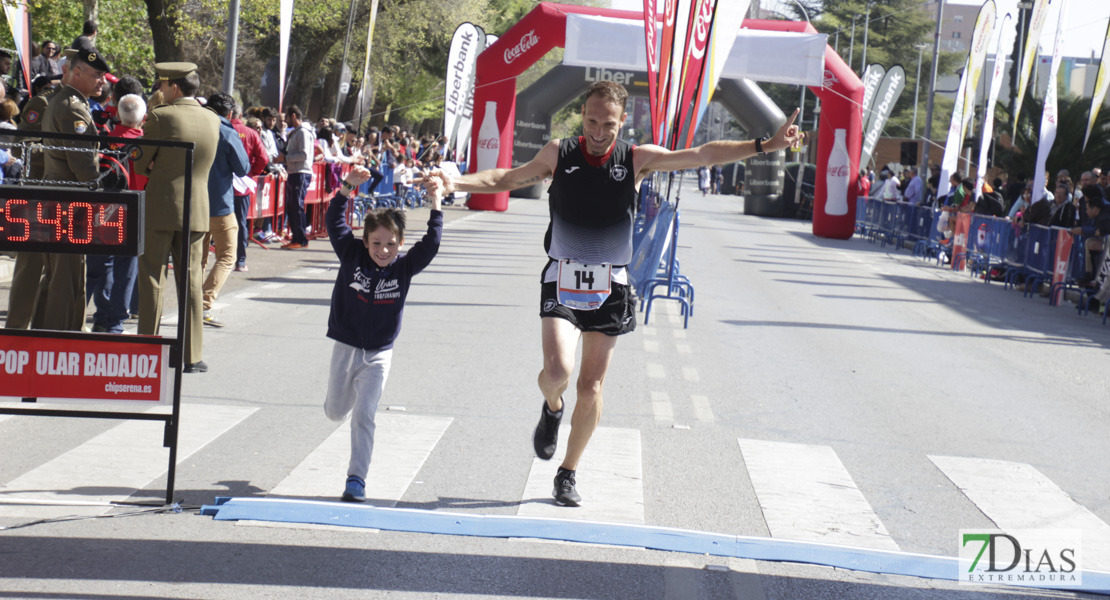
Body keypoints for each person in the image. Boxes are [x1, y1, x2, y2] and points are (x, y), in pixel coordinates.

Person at [432, 80, 804, 506]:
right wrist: (455, 183)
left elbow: (703, 155)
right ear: (582, 116)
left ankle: (567, 472)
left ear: (622, 121)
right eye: (590, 120)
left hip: (611, 283)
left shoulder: (636, 159)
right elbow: (507, 177)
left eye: (607, 123)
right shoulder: (559, 153)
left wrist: (765, 144)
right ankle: (552, 407)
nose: (596, 130)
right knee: (557, 373)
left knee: (591, 386)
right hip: (562, 275)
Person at [323, 165, 445, 503]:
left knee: (365, 415)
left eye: (391, 244)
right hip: (346, 348)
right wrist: (348, 186)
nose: (383, 250)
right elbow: (334, 220)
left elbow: (431, 243)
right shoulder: (351, 254)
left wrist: (436, 202)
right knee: (335, 412)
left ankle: (356, 479)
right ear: (365, 241)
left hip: (378, 354)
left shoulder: (403, 268)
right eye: (376, 243)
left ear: (400, 243)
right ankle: (342, 403)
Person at [132, 62, 221, 373]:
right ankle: (192, 355)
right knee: (191, 282)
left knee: (154, 279)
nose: (159, 90)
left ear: (174, 87)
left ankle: (148, 350)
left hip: (161, 207)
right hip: (197, 208)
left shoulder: (160, 115)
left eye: (162, 85)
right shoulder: (212, 119)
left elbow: (140, 163)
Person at [30, 48, 109, 331]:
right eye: (97, 75)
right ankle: (58, 341)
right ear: (77, 73)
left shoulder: (67, 101)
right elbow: (82, 163)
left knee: (57, 276)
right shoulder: (73, 106)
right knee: (67, 278)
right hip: (69, 201)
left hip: (59, 197)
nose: (103, 81)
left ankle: (41, 339)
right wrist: (103, 190)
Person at [85, 93, 147, 334]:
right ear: (143, 117)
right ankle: (115, 321)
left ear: (119, 114)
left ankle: (97, 314)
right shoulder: (146, 142)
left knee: (101, 263)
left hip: (105, 208)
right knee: (127, 268)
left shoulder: (103, 139)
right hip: (134, 208)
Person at [199, 92, 249, 328]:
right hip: (220, 204)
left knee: (196, 258)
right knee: (228, 255)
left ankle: (190, 304)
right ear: (229, 114)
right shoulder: (228, 132)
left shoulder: (195, 128)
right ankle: (203, 304)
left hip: (194, 202)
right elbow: (242, 168)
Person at [229, 101, 268, 272]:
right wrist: (252, 174)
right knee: (240, 222)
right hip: (242, 185)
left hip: (221, 185)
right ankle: (241, 261)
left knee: (215, 221)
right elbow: (264, 158)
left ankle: (215, 258)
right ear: (240, 116)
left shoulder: (220, 130)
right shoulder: (251, 133)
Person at [280, 104, 314, 249]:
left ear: (293, 116)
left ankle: (301, 239)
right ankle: (296, 237)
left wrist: (285, 158)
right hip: (294, 172)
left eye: (286, 117)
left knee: (297, 206)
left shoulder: (303, 133)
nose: (285, 121)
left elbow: (304, 154)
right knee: (291, 206)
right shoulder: (296, 133)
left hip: (301, 173)